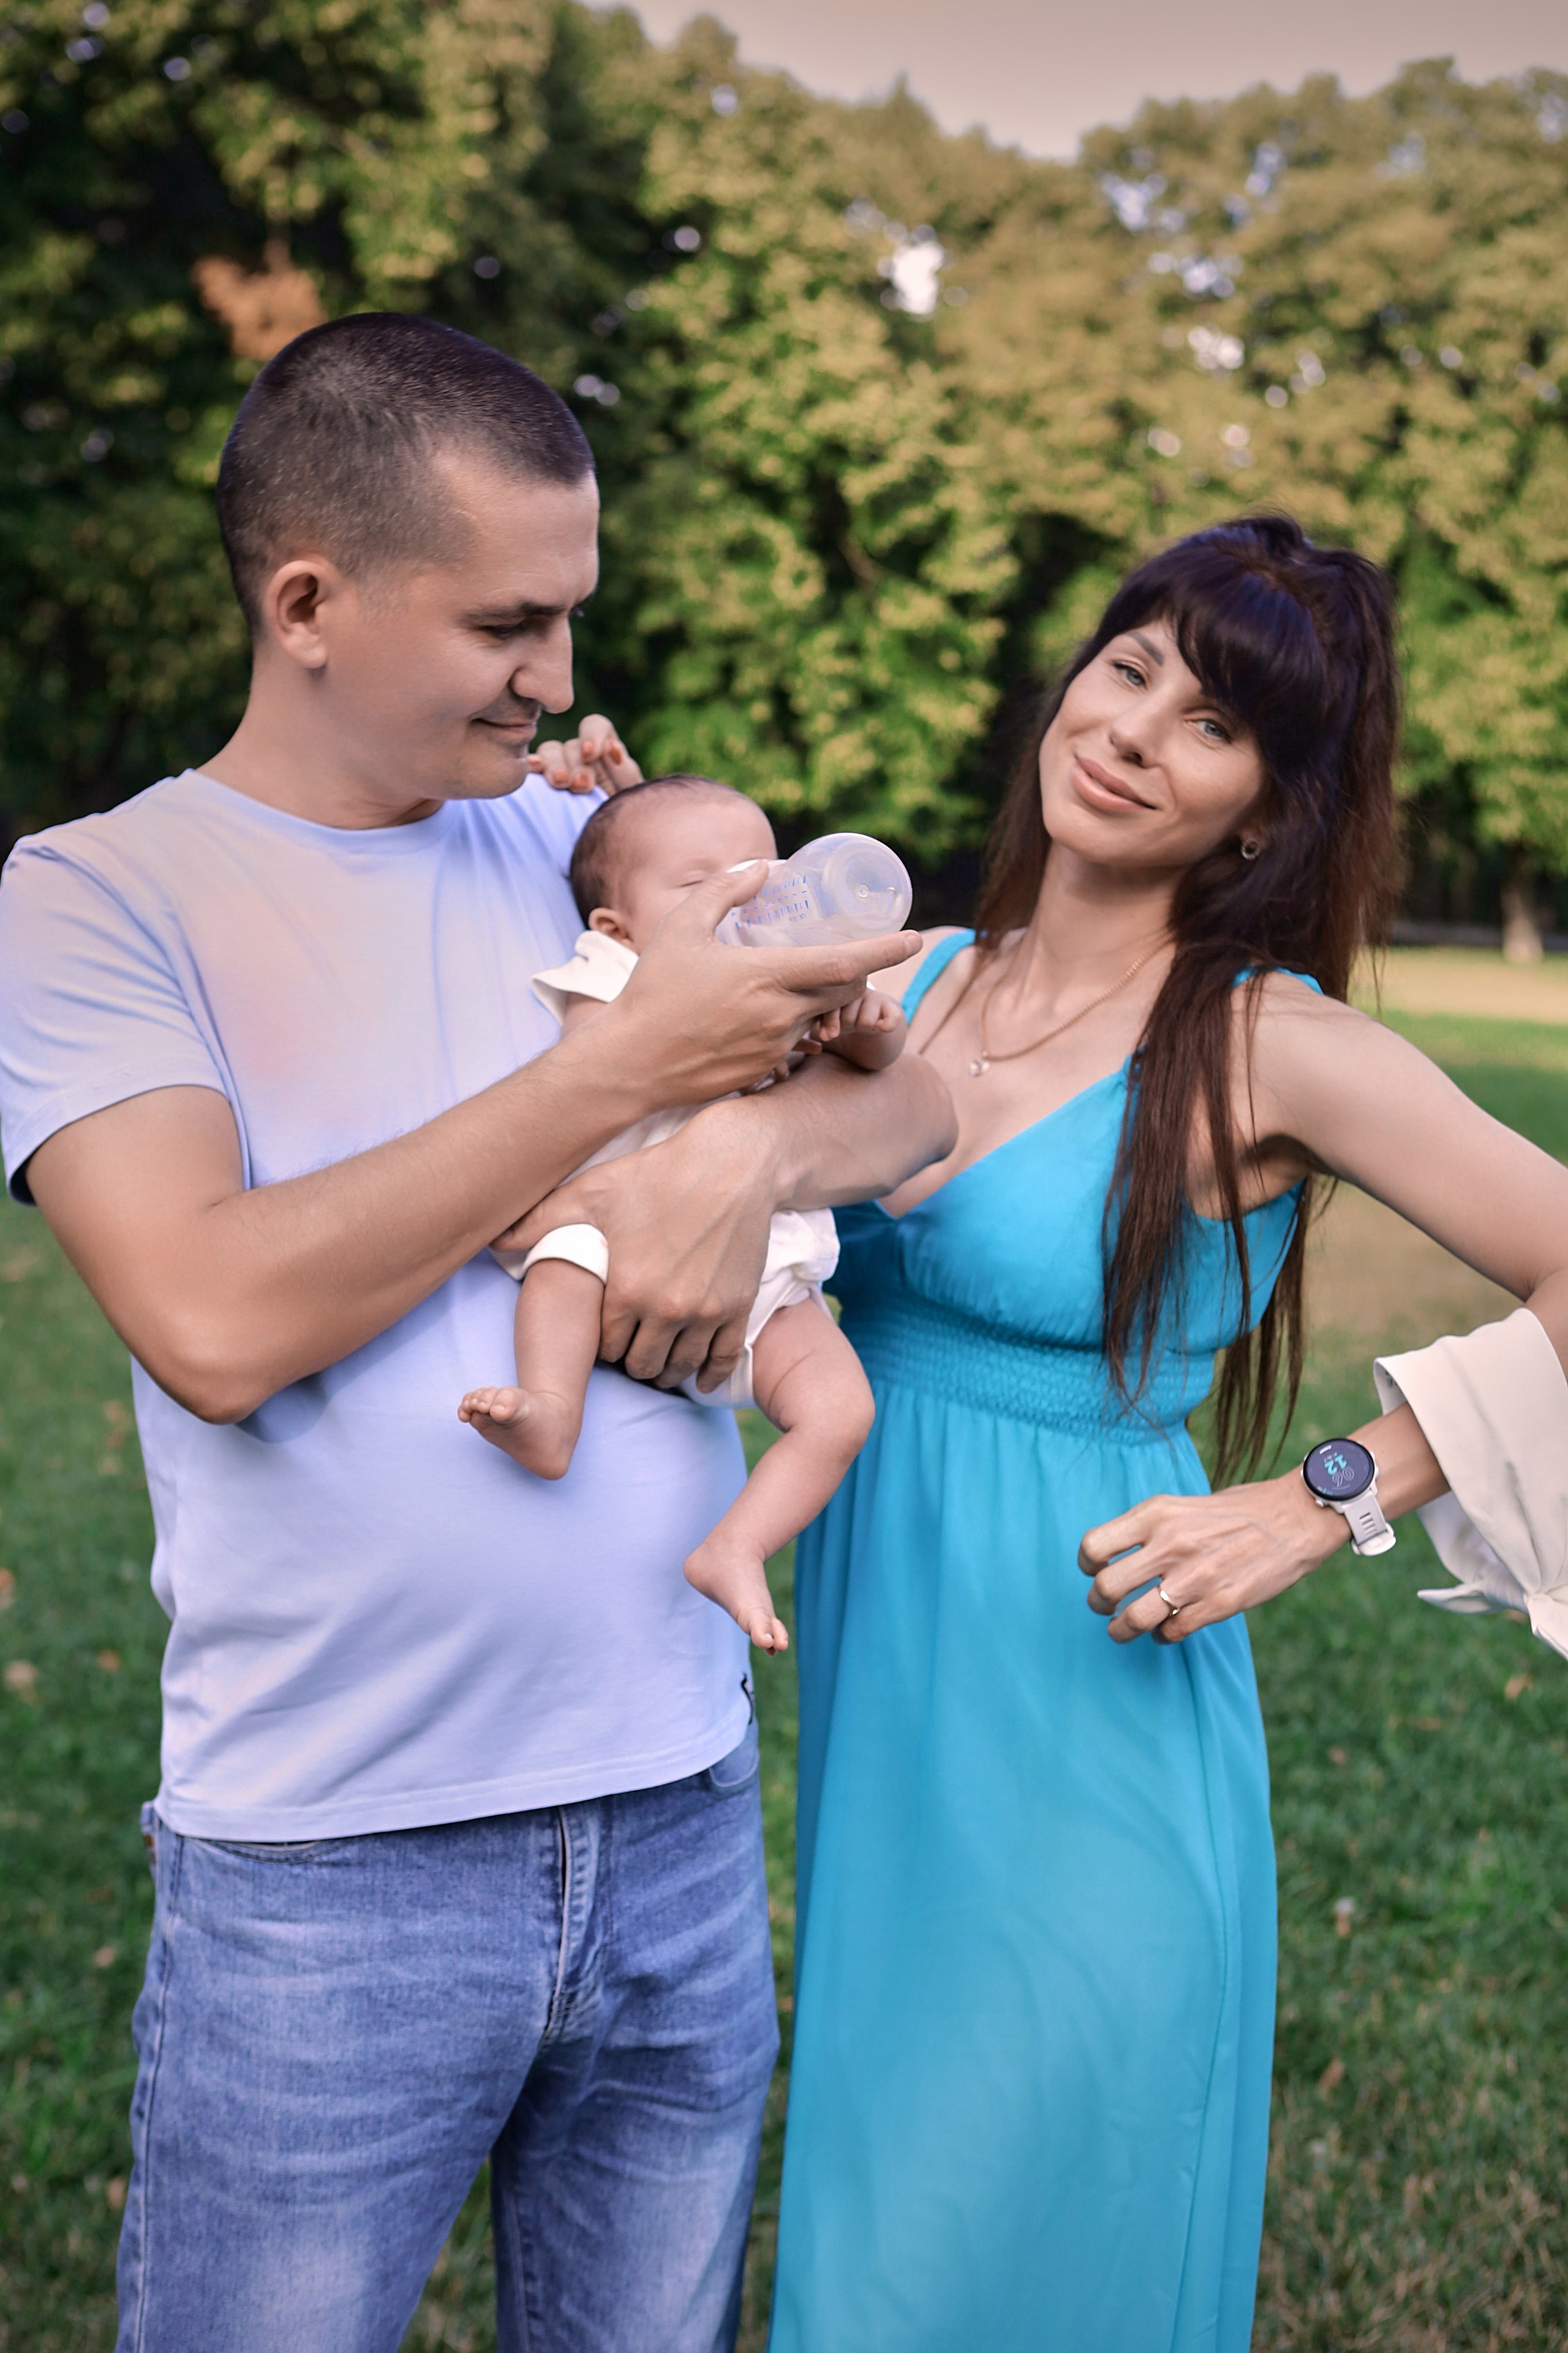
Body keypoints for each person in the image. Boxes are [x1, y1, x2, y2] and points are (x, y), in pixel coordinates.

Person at [0, 313, 953, 2353]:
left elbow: (915, 1112)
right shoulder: (97, 897)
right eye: (511, 622)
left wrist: (722, 1165)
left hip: (678, 1817)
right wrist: (636, 1089)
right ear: (312, 601)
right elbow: (215, 1314)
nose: (561, 677)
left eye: (573, 615)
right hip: (329, 1876)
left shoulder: (590, 844)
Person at [767, 515, 1568, 2352]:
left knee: (1029, 2238)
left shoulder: (1265, 1047)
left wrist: (1327, 1495)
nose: (1134, 728)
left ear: (1266, 813)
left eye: (1212, 724)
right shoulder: (912, 979)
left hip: (1091, 1707)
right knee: (880, 2224)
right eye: (1128, 667)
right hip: (892, 1710)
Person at [460, 772, 904, 1653]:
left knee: (842, 1409)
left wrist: (863, 1023)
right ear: (615, 927)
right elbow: (595, 1060)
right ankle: (550, 1409)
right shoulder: (614, 973)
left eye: (764, 875)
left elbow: (883, 1063)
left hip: (765, 1274)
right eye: (706, 885)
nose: (746, 897)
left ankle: (736, 1545)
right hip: (612, 1236)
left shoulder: (791, 978)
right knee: (561, 1258)